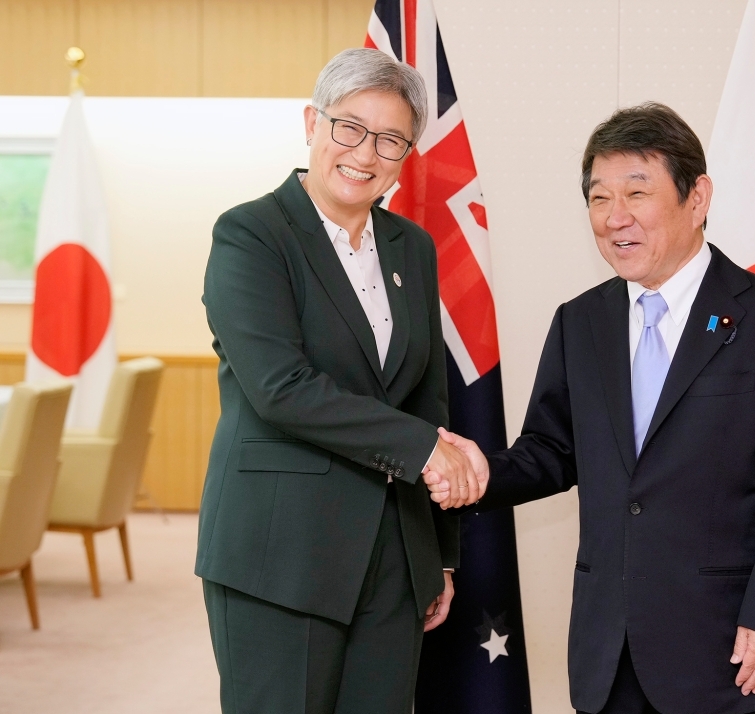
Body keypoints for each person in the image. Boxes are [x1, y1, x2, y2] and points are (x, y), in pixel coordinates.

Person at [424, 103, 755, 714]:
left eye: (637, 193)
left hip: (734, 651)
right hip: (610, 650)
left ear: (697, 197)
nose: (615, 218)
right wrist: (483, 472)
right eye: (598, 198)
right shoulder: (580, 322)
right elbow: (553, 450)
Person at [196, 48, 484, 714]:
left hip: (392, 557)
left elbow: (425, 397)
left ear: (407, 152)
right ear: (311, 122)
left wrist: (436, 552)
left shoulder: (412, 245)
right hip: (281, 554)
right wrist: (421, 450)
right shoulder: (251, 235)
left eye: (390, 139)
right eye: (349, 126)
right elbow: (280, 387)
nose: (366, 152)